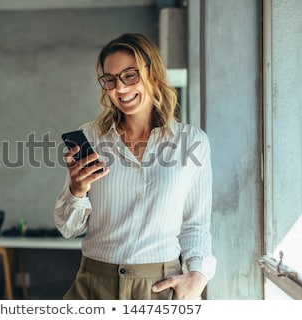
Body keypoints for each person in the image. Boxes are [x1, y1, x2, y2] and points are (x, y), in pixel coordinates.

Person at [54, 33, 215, 300]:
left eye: (130, 75)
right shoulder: (91, 137)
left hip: (159, 287)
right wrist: (76, 190)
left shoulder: (192, 142)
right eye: (110, 79)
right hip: (94, 285)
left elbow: (195, 224)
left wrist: (198, 276)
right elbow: (68, 228)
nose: (120, 88)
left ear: (153, 73)